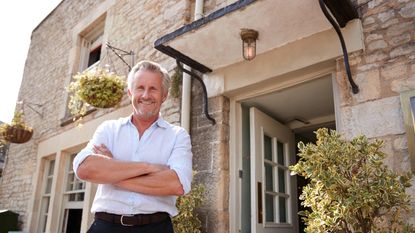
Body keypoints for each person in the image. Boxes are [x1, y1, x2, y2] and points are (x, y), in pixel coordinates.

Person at [73, 60, 193, 233]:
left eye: (153, 89)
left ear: (164, 95)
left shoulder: (177, 135)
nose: (146, 95)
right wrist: (148, 167)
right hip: (105, 226)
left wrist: (111, 170)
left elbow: (178, 184)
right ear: (130, 92)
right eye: (140, 88)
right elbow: (84, 169)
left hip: (156, 228)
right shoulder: (109, 129)